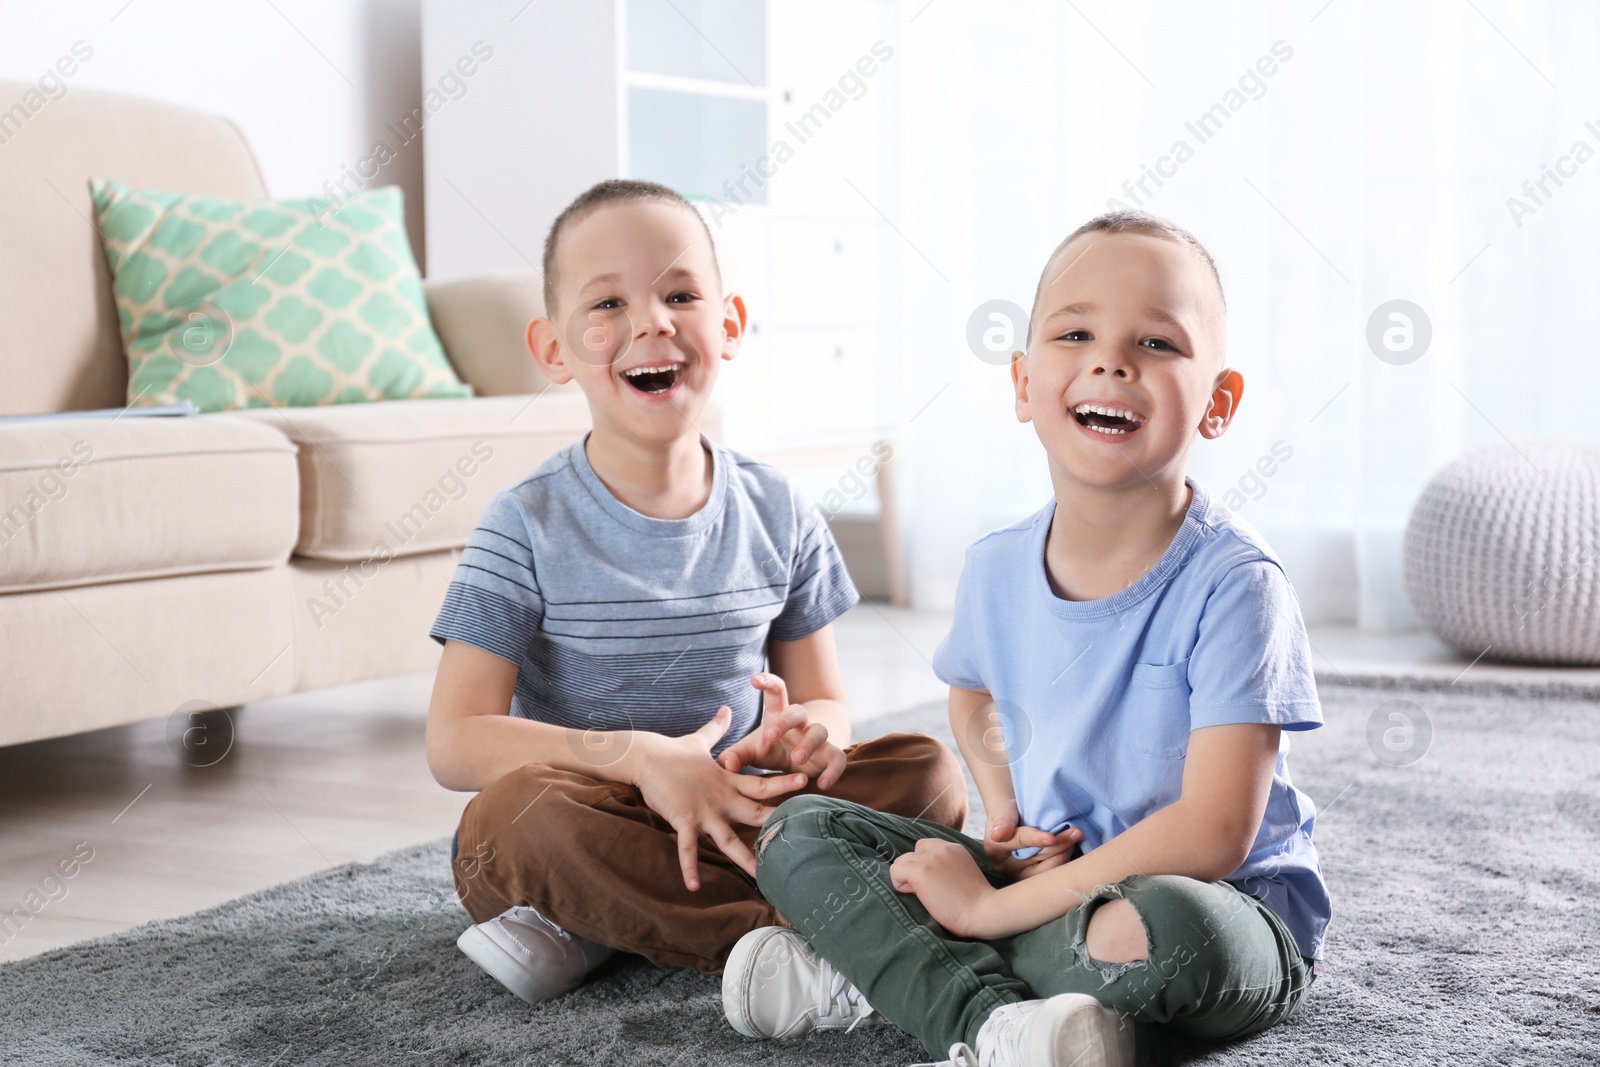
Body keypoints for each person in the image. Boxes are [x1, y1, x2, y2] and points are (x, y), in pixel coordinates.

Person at [721, 210, 1330, 1067]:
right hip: (1047, 877)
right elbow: (971, 688)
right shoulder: (997, 567)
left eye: (1157, 342)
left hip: (1214, 900)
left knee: (1170, 932)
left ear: (1219, 402)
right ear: (1021, 382)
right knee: (799, 831)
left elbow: (1216, 830)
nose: (1111, 360)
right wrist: (1002, 804)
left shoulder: (1239, 586)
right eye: (1075, 331)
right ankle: (1004, 1026)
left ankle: (894, 972)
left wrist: (986, 910)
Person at [424, 178, 967, 1006]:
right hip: (599, 813)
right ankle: (810, 934)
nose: (651, 322)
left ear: (731, 324)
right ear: (553, 349)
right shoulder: (524, 523)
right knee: (509, 823)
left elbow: (824, 697)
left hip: (742, 808)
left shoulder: (778, 508)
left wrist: (805, 740)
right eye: (607, 303)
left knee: (928, 773)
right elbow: (455, 741)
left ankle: (609, 924)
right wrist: (640, 758)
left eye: (680, 293)